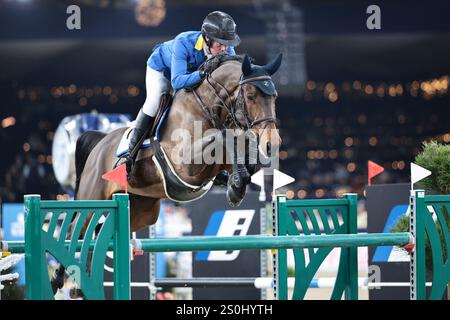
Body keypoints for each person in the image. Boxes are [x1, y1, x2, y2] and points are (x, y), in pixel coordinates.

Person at [123, 11, 241, 175]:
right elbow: (177, 82)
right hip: (163, 71)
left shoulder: (227, 49)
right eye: (220, 44)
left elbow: (230, 76)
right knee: (154, 102)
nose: (224, 49)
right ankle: (130, 156)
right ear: (207, 38)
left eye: (227, 44)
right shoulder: (183, 42)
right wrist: (202, 73)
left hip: (190, 76)